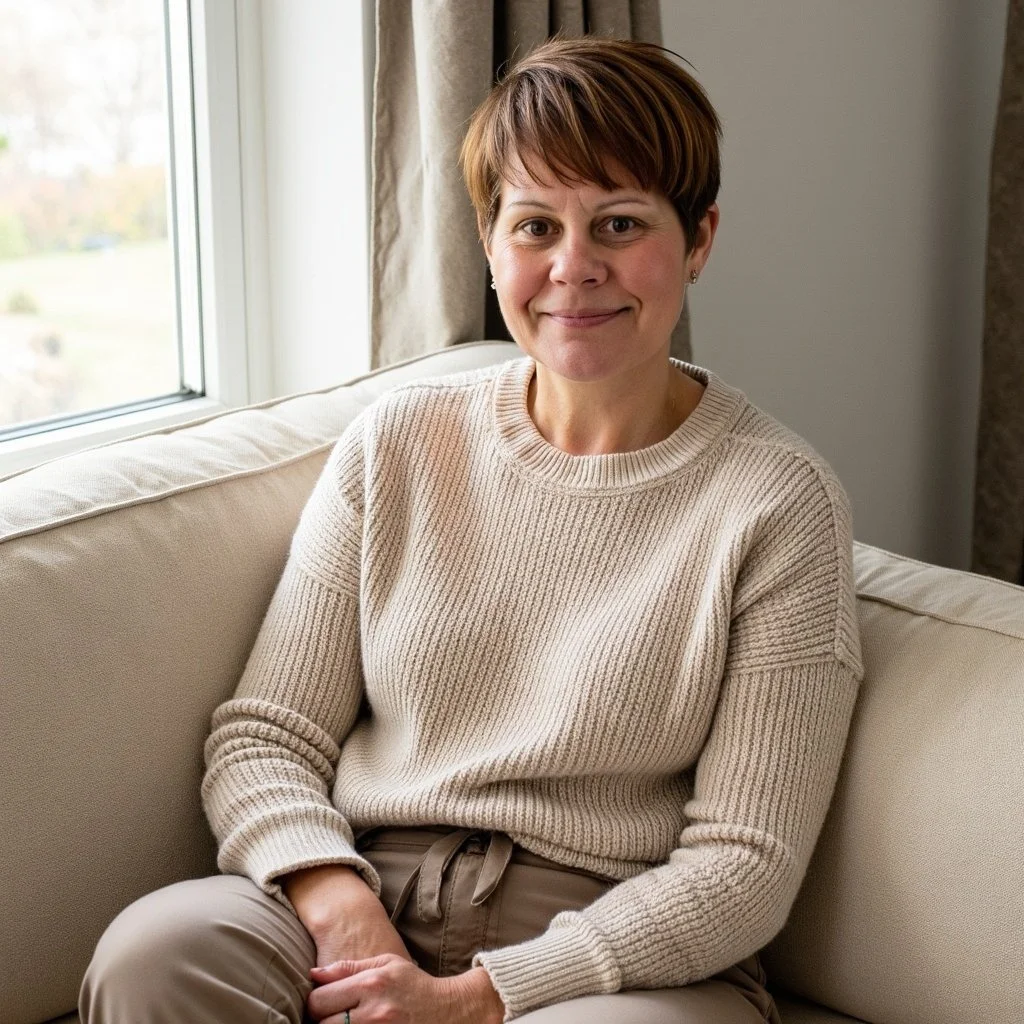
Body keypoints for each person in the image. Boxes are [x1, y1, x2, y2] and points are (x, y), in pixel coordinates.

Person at [80, 36, 863, 1024]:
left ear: (698, 238)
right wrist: (337, 898)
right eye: (534, 225)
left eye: (619, 223)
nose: (573, 268)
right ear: (491, 245)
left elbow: (742, 865)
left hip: (612, 953)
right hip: (370, 881)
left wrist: (483, 996)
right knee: (157, 953)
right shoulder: (397, 443)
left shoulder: (776, 501)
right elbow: (265, 733)